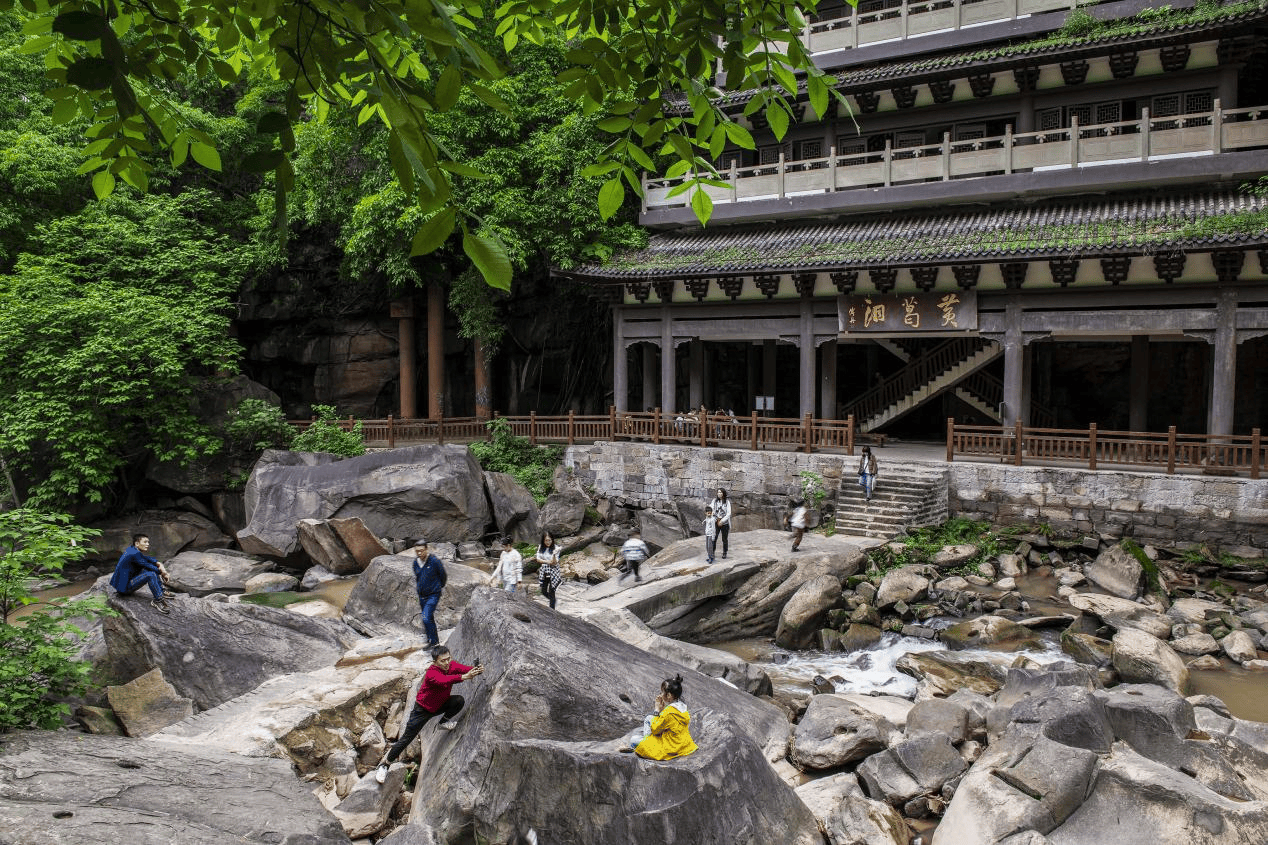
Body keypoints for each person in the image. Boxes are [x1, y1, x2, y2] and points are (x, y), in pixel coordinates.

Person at [375, 645, 483, 783]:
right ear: (435, 662)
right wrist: (463, 677)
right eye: (442, 661)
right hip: (422, 710)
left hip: (439, 705)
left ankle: (443, 722)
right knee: (406, 739)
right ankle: (385, 765)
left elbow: (466, 669)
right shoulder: (431, 673)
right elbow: (444, 680)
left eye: (448, 659)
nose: (446, 663)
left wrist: (476, 670)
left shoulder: (451, 665)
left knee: (458, 701)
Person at [620, 674, 697, 760]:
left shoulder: (669, 712)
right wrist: (662, 711)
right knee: (649, 718)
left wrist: (657, 710)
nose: (660, 694)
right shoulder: (682, 708)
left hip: (670, 748)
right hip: (681, 744)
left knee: (634, 739)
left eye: (662, 692)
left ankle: (645, 743)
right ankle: (647, 740)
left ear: (669, 696)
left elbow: (655, 730)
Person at [109, 533, 174, 614]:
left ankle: (161, 591)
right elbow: (149, 566)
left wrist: (158, 563)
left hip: (127, 581)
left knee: (150, 570)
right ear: (137, 543)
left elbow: (145, 558)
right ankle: (158, 600)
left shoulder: (132, 549)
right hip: (125, 589)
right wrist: (163, 572)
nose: (148, 544)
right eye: (145, 542)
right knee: (151, 574)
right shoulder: (134, 553)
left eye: (148, 542)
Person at [412, 538, 447, 647]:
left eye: (421, 550)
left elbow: (443, 576)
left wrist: (437, 588)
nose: (419, 553)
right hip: (422, 595)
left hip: (433, 594)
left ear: (426, 549)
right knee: (428, 618)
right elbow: (418, 577)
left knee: (426, 617)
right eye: (417, 551)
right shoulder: (415, 563)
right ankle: (433, 641)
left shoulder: (434, 561)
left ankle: (434, 642)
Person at [535, 533, 563, 610]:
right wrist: (547, 562)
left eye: (549, 540)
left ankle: (552, 610)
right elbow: (538, 559)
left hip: (554, 571)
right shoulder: (541, 547)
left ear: (552, 540)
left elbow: (555, 562)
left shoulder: (556, 548)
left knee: (552, 591)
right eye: (546, 540)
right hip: (544, 571)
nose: (548, 542)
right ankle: (553, 600)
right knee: (543, 591)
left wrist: (554, 554)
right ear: (543, 541)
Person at [707, 488, 732, 558]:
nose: (719, 494)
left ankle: (725, 552)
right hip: (716, 521)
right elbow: (710, 507)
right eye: (718, 492)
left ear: (723, 493)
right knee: (714, 538)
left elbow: (729, 513)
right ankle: (712, 552)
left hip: (724, 523)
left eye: (720, 492)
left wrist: (722, 521)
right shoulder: (714, 501)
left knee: (724, 539)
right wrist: (711, 512)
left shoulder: (727, 502)